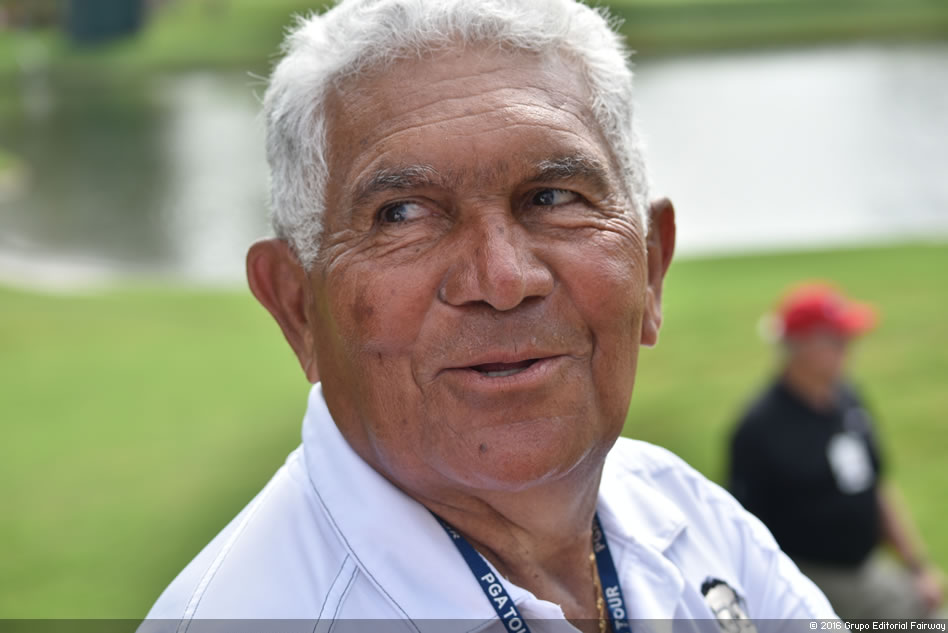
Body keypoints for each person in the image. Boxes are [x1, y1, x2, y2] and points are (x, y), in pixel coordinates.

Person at [142, 1, 837, 631]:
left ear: (651, 268)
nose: (503, 281)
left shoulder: (695, 522)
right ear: (298, 308)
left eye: (553, 196)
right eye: (402, 214)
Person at [729, 282, 944, 620]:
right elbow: (744, 531)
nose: (849, 349)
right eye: (837, 340)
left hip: (867, 568)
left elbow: (875, 486)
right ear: (800, 347)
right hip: (813, 580)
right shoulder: (760, 427)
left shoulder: (847, 398)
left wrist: (917, 566)